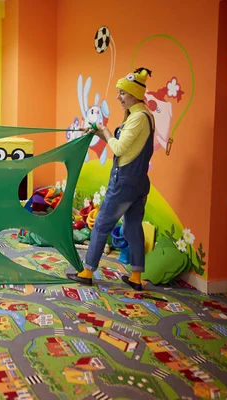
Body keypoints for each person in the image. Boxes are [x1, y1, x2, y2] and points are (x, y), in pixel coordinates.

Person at [67, 68, 155, 291]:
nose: (118, 97)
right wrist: (98, 132)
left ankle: (87, 271)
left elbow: (118, 148)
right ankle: (136, 276)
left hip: (124, 182)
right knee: (132, 228)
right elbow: (127, 145)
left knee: (101, 224)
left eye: (122, 93)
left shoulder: (138, 119)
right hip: (139, 183)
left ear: (134, 93)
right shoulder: (143, 115)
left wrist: (105, 130)